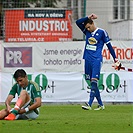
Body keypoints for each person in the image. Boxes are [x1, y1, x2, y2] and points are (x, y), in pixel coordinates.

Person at [76, 13, 121, 110]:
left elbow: (109, 46)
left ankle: (89, 103)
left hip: (96, 60)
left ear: (92, 24)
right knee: (91, 83)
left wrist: (115, 59)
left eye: (88, 27)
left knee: (94, 81)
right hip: (87, 59)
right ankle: (101, 104)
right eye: (86, 28)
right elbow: (77, 22)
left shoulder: (102, 32)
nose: (87, 29)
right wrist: (88, 17)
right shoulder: (87, 32)